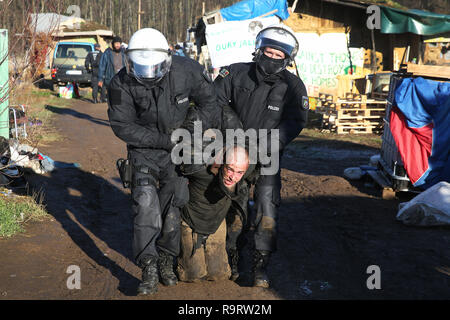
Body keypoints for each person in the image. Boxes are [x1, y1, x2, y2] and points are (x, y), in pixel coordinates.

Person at [107, 28, 221, 295]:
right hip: (144, 149)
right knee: (145, 204)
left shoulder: (187, 71)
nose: (147, 75)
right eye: (141, 68)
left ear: (167, 59)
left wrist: (191, 128)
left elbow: (210, 103)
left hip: (179, 148)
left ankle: (167, 260)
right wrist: (164, 140)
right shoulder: (121, 83)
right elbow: (123, 125)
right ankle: (148, 265)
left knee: (173, 207)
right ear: (130, 59)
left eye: (154, 68)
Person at [213, 24, 309, 288]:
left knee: (267, 209)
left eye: (280, 56)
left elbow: (295, 122)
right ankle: (234, 260)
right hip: (234, 151)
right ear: (258, 49)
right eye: (269, 52)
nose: (273, 58)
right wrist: (236, 137)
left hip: (269, 156)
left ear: (288, 59)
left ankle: (260, 267)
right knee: (235, 207)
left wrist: (261, 146)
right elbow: (216, 102)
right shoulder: (234, 72)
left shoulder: (293, 86)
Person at [177, 145, 250, 282]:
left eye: (239, 172)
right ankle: (171, 257)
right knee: (193, 275)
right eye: (230, 169)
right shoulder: (198, 169)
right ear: (222, 163)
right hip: (190, 221)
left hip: (215, 222)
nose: (233, 177)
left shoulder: (243, 175)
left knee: (219, 275)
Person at [98, 36, 126, 102]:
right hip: (111, 78)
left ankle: (117, 110)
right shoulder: (107, 53)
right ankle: (114, 111)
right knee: (115, 101)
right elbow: (102, 66)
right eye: (116, 43)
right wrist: (100, 79)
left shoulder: (123, 52)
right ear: (113, 44)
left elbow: (127, 64)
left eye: (119, 43)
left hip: (122, 79)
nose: (117, 45)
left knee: (122, 100)